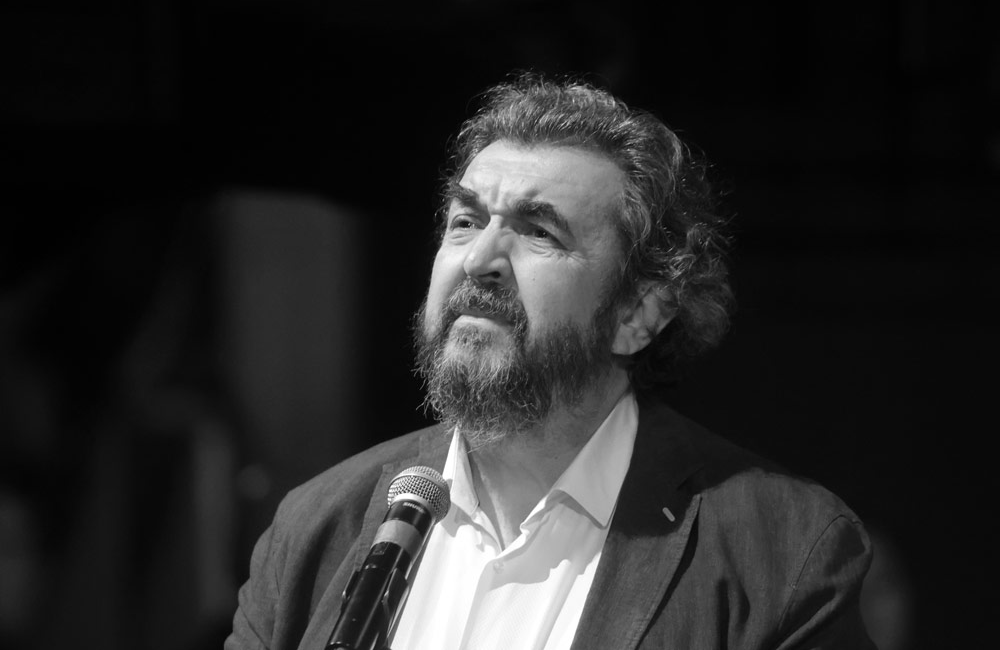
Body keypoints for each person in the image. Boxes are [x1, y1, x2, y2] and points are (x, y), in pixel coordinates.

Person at [225, 75, 875, 650]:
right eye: (464, 221)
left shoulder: (782, 552)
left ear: (637, 313)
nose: (479, 259)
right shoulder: (316, 526)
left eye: (539, 232)